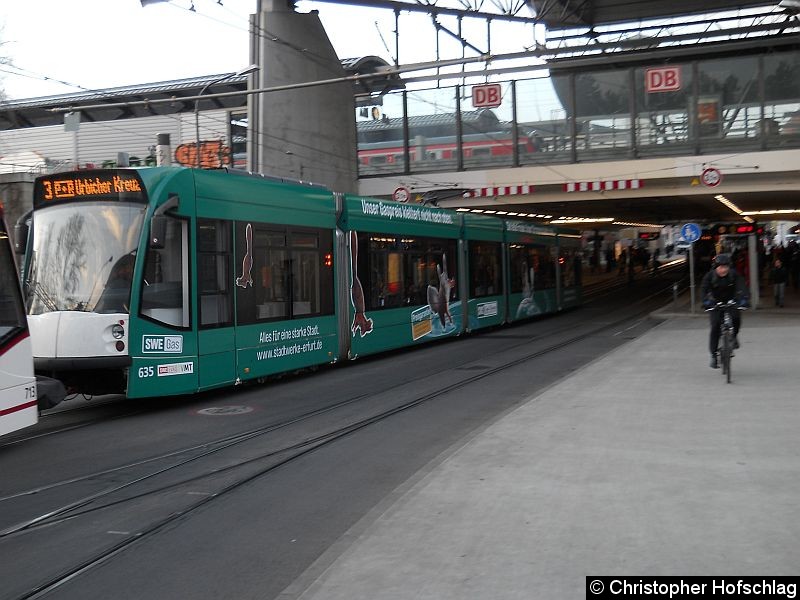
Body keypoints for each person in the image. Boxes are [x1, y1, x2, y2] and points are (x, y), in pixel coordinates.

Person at [701, 253, 749, 369]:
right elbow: (704, 289)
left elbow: (742, 287)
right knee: (715, 326)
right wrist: (706, 302)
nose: (723, 270)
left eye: (726, 267)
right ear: (715, 267)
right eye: (720, 267)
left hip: (731, 301)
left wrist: (743, 299)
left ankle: (734, 336)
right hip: (715, 303)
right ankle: (713, 355)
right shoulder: (709, 276)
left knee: (736, 318)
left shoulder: (733, 275)